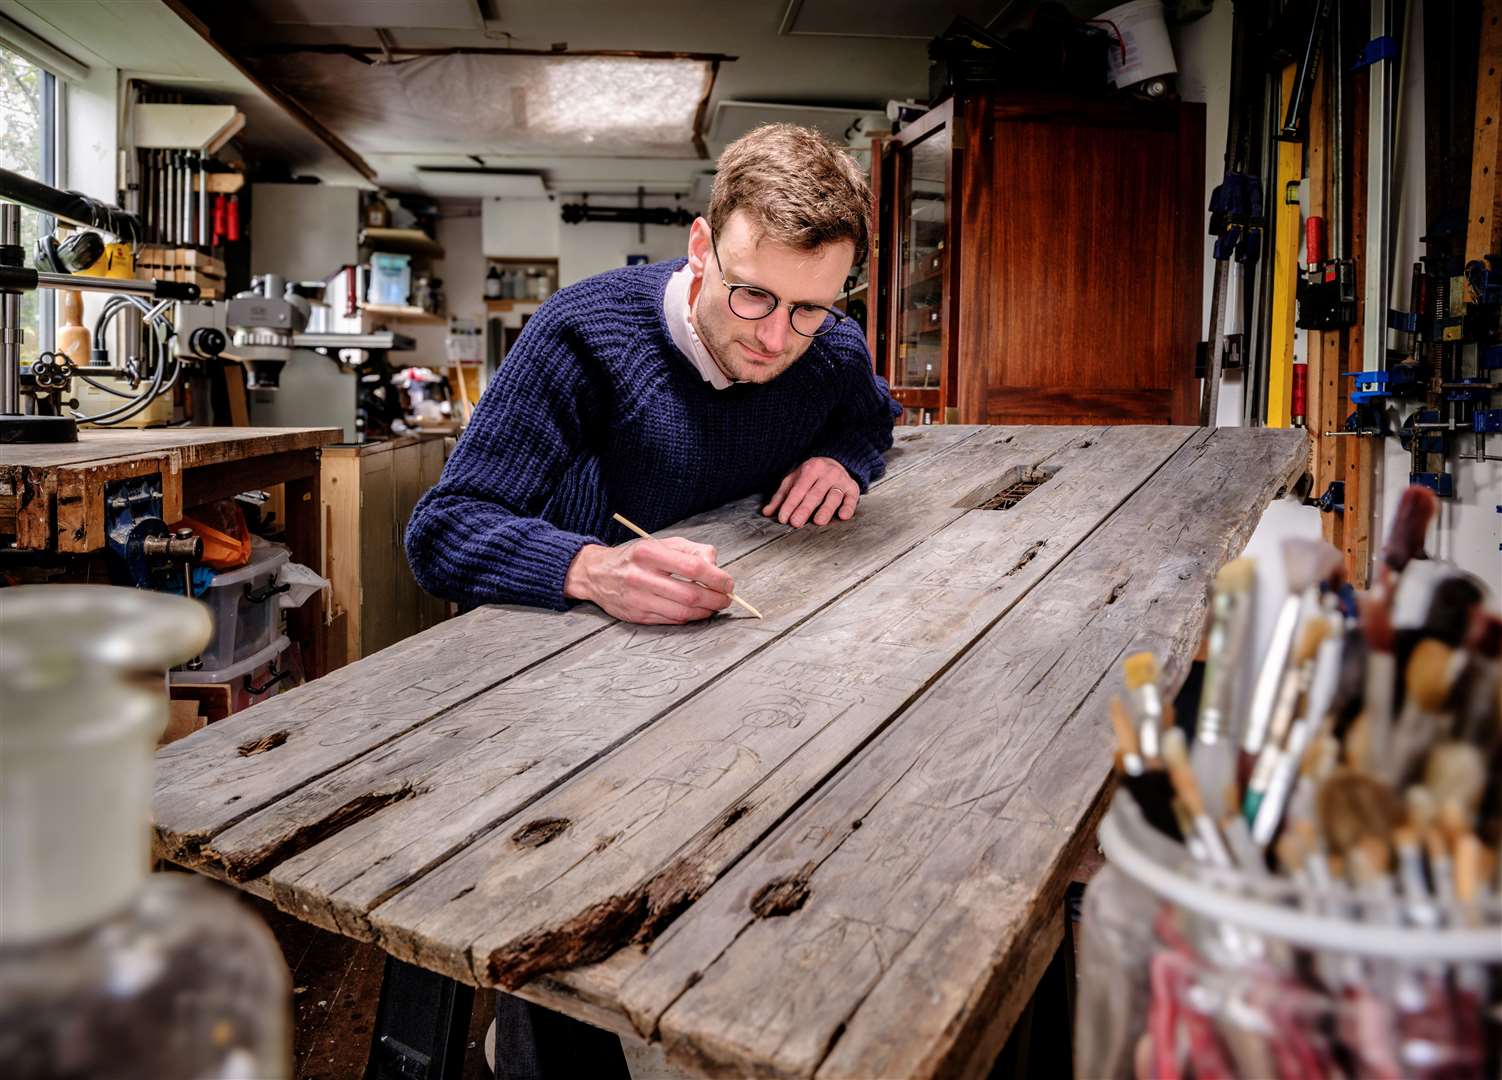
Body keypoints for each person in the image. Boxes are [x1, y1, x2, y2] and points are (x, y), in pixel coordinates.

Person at [405, 123, 900, 626]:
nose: (774, 339)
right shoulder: (581, 333)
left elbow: (873, 418)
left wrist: (842, 460)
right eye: (752, 294)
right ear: (702, 247)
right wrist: (590, 568)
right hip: (547, 640)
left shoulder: (831, 346)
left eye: (809, 307)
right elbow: (444, 529)